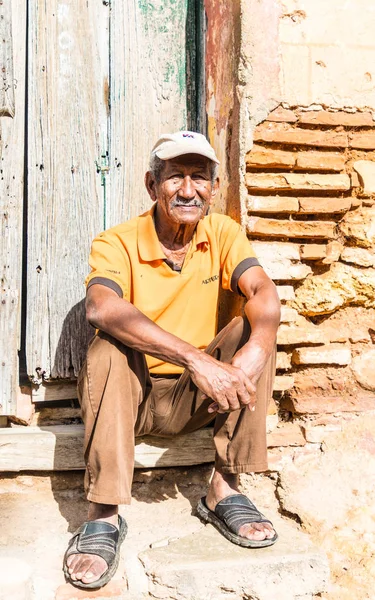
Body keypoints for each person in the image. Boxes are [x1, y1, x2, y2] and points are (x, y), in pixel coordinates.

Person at [63, 131, 281, 590]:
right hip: (133, 397)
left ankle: (225, 487)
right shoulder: (117, 241)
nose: (188, 190)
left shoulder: (222, 232)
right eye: (175, 177)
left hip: (197, 398)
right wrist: (194, 359)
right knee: (107, 346)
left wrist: (258, 345)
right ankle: (103, 514)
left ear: (213, 187)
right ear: (151, 184)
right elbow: (101, 306)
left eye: (199, 177)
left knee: (255, 329)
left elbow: (262, 291)